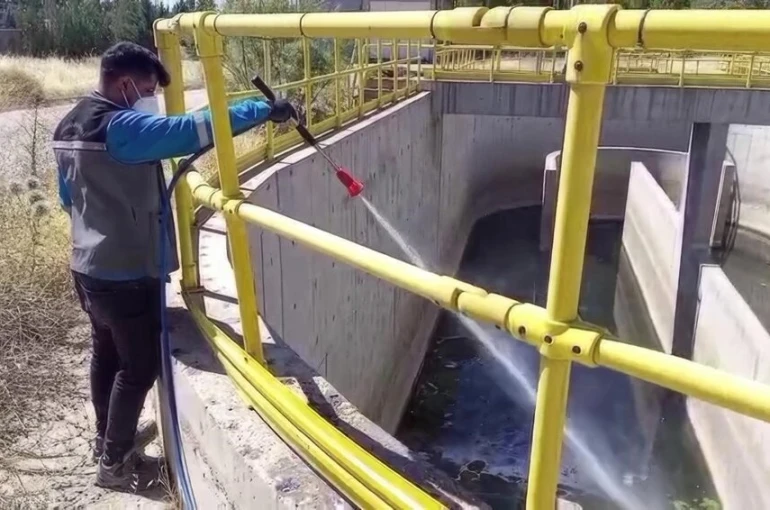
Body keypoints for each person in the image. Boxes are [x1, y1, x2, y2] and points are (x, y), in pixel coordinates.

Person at [53, 41, 294, 493]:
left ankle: (108, 441)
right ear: (124, 84)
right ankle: (113, 465)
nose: (149, 99)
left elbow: (68, 199)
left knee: (105, 352)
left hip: (86, 266)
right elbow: (190, 129)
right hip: (124, 272)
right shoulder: (120, 127)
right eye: (146, 89)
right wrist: (263, 111)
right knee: (139, 367)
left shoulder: (68, 122)